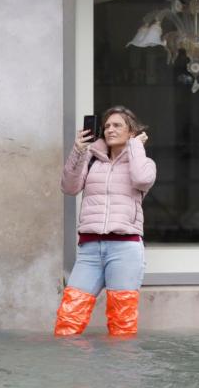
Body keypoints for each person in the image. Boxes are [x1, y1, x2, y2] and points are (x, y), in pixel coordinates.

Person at [55, 106, 156, 337]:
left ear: (132, 132)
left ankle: (121, 370)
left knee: (122, 322)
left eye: (117, 125)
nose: (110, 129)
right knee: (68, 319)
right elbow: (69, 188)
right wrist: (79, 151)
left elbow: (141, 179)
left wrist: (136, 147)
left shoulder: (144, 163)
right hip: (90, 249)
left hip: (125, 248)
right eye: (107, 126)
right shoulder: (92, 160)